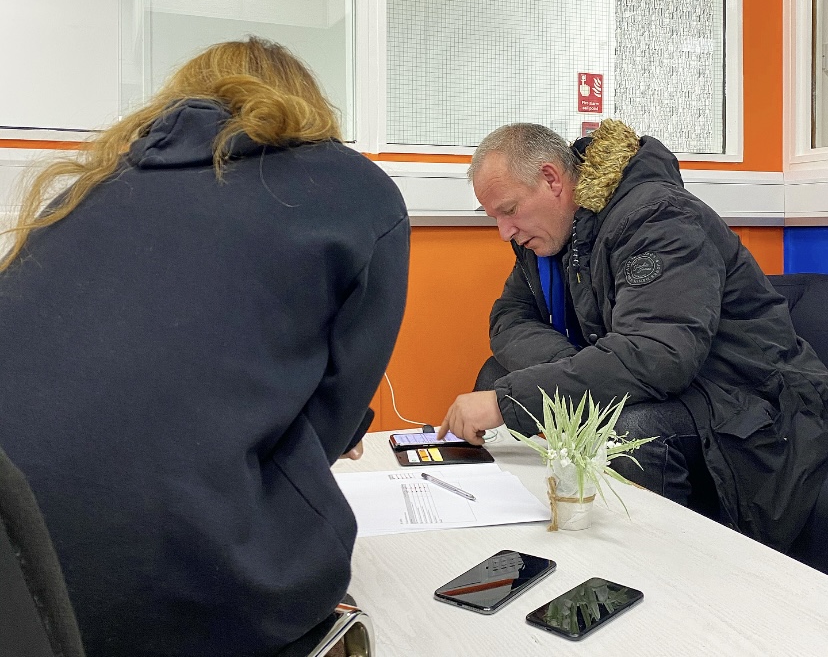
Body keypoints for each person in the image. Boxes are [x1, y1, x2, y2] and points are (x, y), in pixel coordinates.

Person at [0, 38, 409, 656]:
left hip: (17, 587)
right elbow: (332, 422)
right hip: (175, 600)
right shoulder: (355, 193)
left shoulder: (82, 193)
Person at [439, 119, 828, 552]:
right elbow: (509, 318)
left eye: (508, 210)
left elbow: (659, 355)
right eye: (494, 216)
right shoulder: (557, 235)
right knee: (498, 372)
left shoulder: (658, 218)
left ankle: (646, 576)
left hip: (750, 403)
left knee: (630, 429)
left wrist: (512, 400)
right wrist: (563, 363)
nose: (504, 231)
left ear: (551, 178)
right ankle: (516, 527)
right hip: (682, 389)